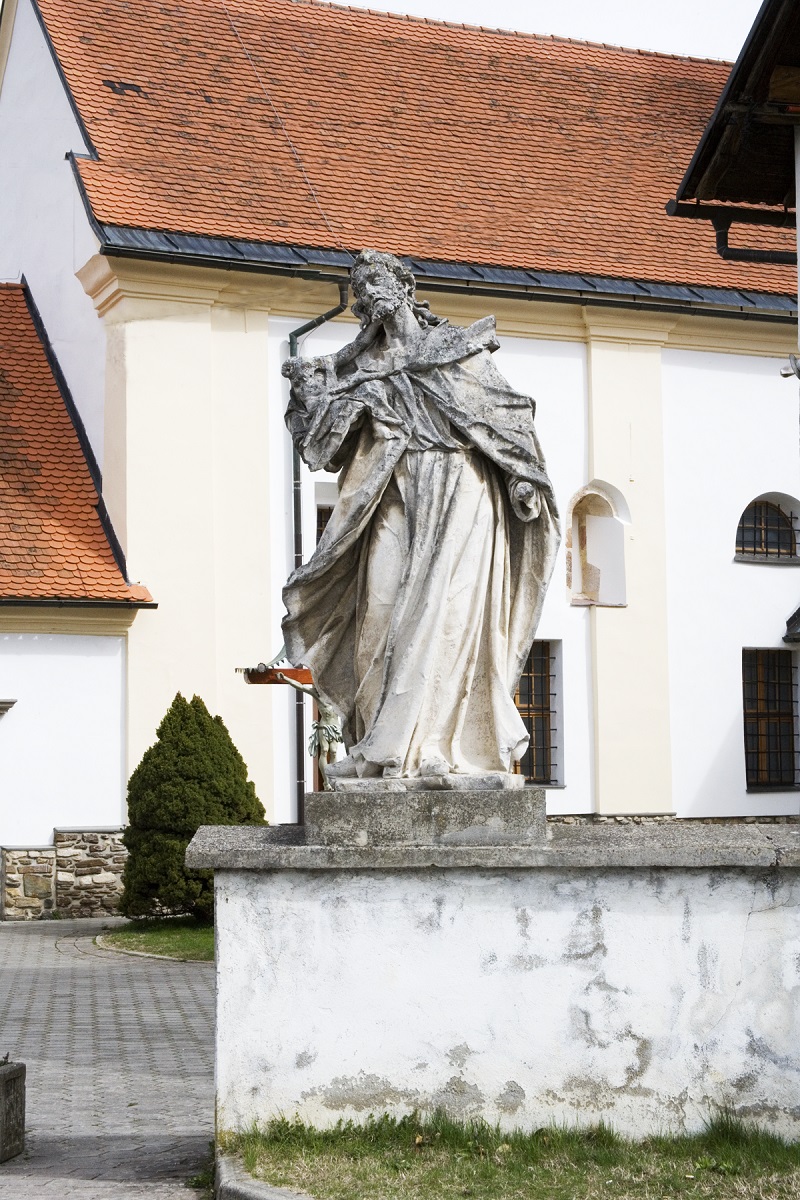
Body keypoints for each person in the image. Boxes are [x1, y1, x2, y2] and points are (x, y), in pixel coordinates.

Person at [281, 249, 559, 781]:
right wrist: (307, 395)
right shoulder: (361, 368)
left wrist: (523, 477)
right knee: (378, 615)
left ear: (405, 287)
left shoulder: (456, 347)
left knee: (448, 616)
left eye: (377, 282)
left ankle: (442, 749)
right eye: (360, 291)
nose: (369, 296)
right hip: (392, 492)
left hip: (463, 488)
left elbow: (505, 416)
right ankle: (377, 744)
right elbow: (322, 450)